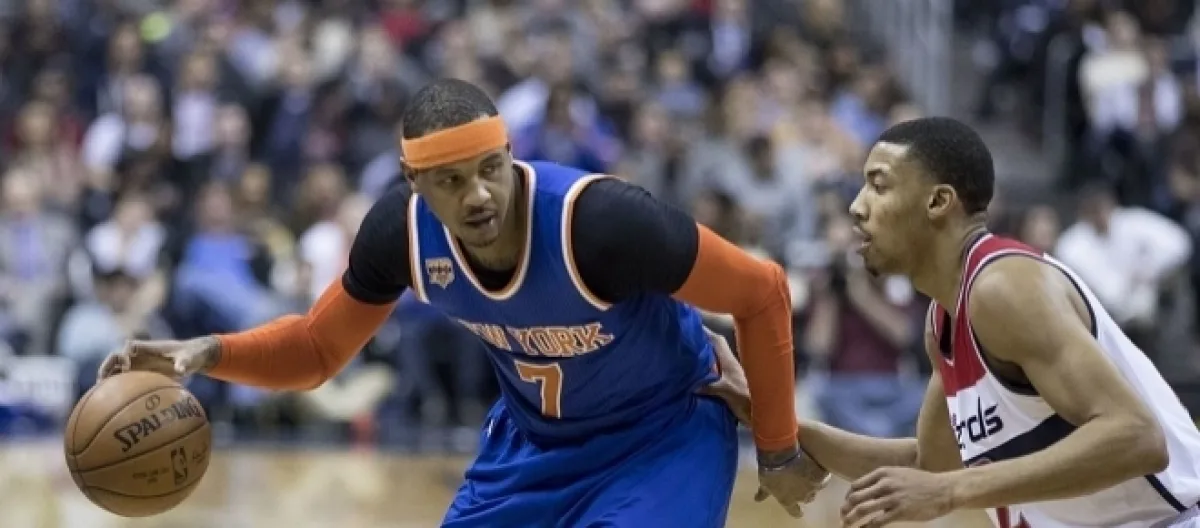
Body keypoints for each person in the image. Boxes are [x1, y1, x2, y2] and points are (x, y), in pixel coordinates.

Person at [98, 78, 829, 526]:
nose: (477, 195)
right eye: (450, 181)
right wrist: (206, 353)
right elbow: (318, 350)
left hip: (659, 435)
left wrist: (777, 447)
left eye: (489, 169)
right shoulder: (401, 236)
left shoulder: (600, 223)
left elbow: (762, 290)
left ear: (510, 155)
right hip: (534, 445)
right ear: (414, 183)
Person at [793, 117, 1200, 527]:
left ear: (938, 202)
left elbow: (1137, 437)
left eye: (879, 186)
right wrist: (791, 433)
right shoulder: (944, 319)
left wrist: (951, 491)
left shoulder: (1003, 288)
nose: (856, 206)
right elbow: (929, 468)